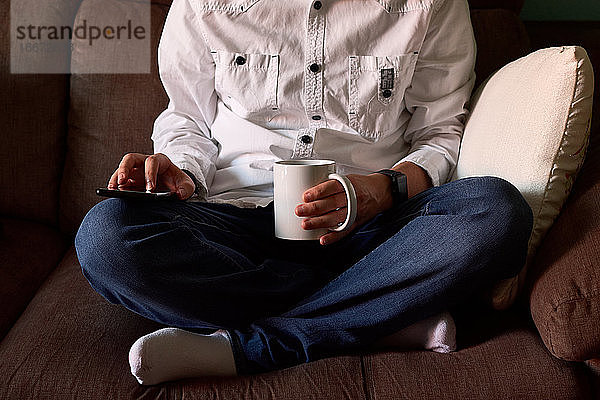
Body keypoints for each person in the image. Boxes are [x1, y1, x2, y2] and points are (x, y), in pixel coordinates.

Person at [75, 0, 533, 385]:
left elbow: (440, 133)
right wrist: (179, 170)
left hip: (370, 232)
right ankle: (378, 312)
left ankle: (251, 346)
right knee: (106, 237)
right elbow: (188, 120)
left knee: (496, 211)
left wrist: (381, 190)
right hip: (235, 224)